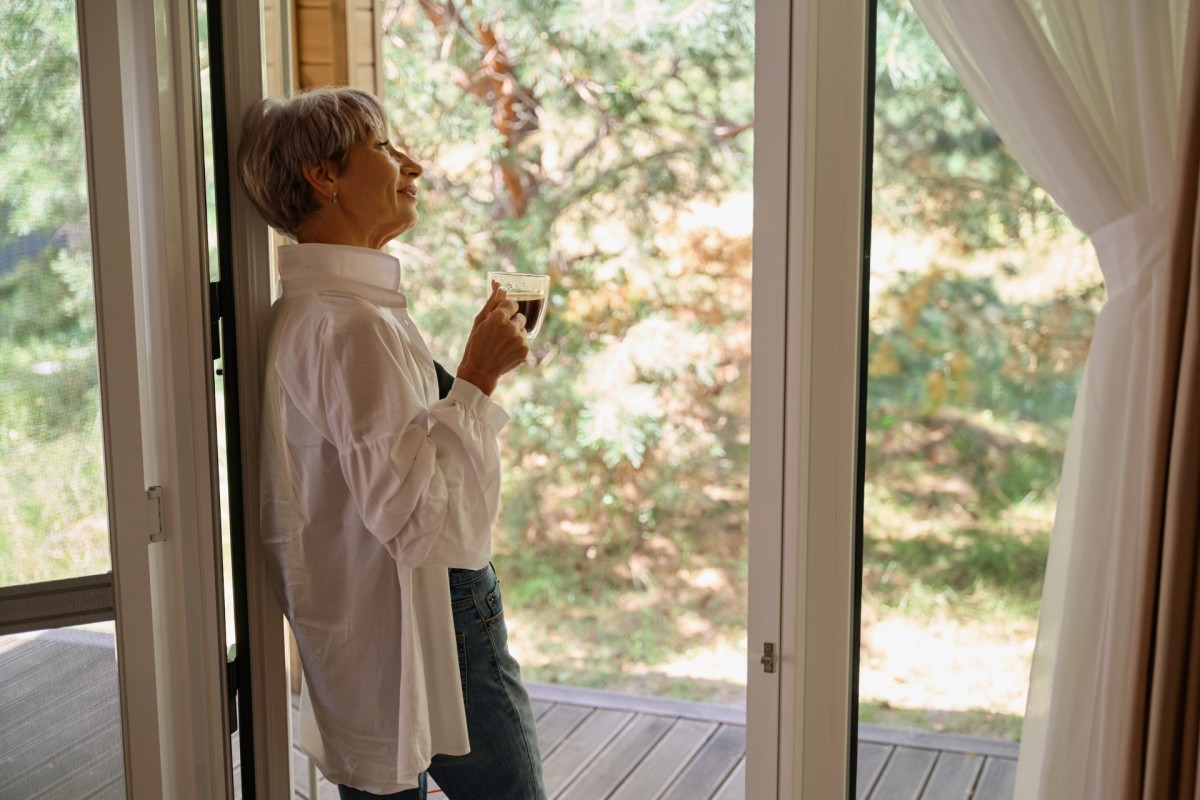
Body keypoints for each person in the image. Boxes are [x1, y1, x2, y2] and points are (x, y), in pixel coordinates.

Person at [238, 87, 547, 800]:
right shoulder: (352, 325)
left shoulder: (320, 312)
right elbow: (414, 520)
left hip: (370, 619)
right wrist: (473, 378)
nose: (410, 163)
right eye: (382, 146)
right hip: (438, 605)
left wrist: (470, 375)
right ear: (324, 175)